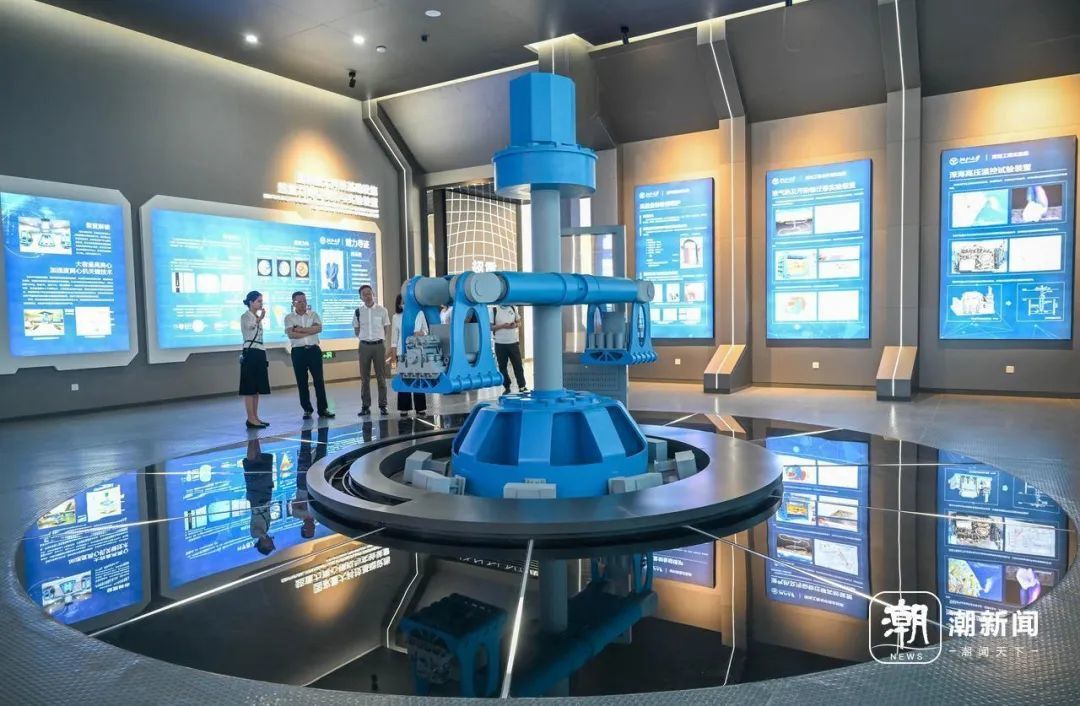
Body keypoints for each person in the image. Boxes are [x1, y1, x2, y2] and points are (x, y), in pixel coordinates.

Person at [283, 291, 335, 420]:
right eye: (299, 301)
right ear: (293, 303)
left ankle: (323, 409)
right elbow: (291, 334)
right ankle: (307, 409)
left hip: (314, 350)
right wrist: (309, 331)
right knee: (302, 382)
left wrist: (299, 329)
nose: (303, 304)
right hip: (298, 352)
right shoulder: (289, 318)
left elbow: (318, 329)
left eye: (304, 301)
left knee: (319, 381)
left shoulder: (313, 315)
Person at [352, 284, 391, 416]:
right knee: (365, 378)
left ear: (373, 294)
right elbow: (356, 329)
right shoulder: (358, 312)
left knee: (381, 377)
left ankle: (383, 405)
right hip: (364, 347)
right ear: (361, 297)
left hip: (379, 346)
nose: (367, 296)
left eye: (369, 293)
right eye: (364, 294)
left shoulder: (382, 310)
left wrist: (378, 338)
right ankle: (365, 406)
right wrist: (365, 338)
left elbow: (386, 328)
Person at [391, 293, 428, 418]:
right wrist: (393, 354)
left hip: (417, 352)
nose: (404, 304)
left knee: (418, 379)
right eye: (402, 302)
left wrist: (421, 333)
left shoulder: (419, 313)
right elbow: (394, 338)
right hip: (402, 352)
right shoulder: (396, 317)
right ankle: (404, 407)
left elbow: (426, 331)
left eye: (406, 302)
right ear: (398, 304)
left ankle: (420, 407)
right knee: (404, 380)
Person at [239, 290, 271, 429]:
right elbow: (250, 327)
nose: (261, 303)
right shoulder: (246, 316)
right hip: (250, 352)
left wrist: (259, 318)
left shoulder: (256, 317)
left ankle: (255, 417)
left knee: (257, 388)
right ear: (251, 302)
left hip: (259, 351)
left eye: (261, 301)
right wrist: (260, 319)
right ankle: (250, 418)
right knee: (249, 388)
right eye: (259, 301)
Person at [243, 438, 276, 556]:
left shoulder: (254, 534)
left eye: (270, 545)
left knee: (252, 465)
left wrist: (263, 535)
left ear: (263, 545)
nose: (272, 542)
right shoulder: (267, 529)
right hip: (265, 496)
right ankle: (255, 438)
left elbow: (257, 530)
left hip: (256, 498)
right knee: (261, 464)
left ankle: (251, 440)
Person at [490, 303, 528, 395]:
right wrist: (503, 326)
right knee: (502, 367)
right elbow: (491, 327)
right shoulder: (494, 310)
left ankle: (522, 386)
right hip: (500, 343)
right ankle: (507, 386)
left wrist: (515, 325)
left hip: (513, 342)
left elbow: (519, 323)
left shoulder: (513, 308)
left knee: (518, 365)